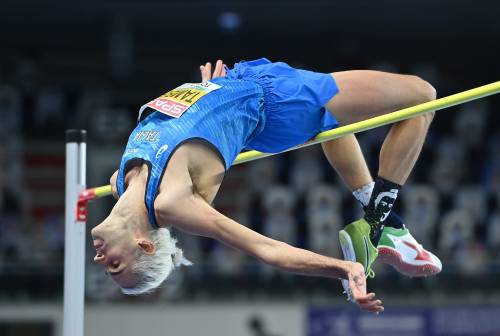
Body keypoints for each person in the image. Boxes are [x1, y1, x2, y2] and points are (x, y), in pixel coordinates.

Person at [91, 58, 438, 313]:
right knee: (422, 95)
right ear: (145, 245)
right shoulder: (172, 204)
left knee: (330, 123)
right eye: (115, 266)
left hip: (245, 86)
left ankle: (390, 227)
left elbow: (181, 124)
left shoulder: (121, 182)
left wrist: (208, 93)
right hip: (277, 103)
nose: (99, 258)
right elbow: (266, 250)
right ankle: (378, 225)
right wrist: (343, 269)